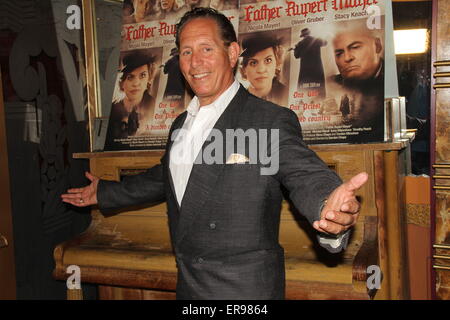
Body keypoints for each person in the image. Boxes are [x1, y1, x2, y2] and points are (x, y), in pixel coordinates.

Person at [62, 7, 368, 300]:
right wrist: (106, 192)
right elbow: (165, 175)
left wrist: (327, 204)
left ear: (233, 54)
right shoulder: (182, 122)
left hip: (242, 291)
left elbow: (302, 171)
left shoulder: (267, 120)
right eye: (186, 52)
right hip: (190, 286)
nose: (196, 62)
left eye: (207, 49)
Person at [330, 24, 384, 139]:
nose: (347, 58)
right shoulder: (329, 85)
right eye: (339, 53)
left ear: (377, 45)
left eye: (355, 47)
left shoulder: (394, 82)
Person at [104, 50, 157, 150]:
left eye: (143, 75)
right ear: (122, 83)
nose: (136, 83)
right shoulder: (112, 110)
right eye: (130, 77)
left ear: (149, 80)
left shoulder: (155, 106)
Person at [239, 32, 289, 106]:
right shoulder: (239, 100)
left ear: (277, 64)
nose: (261, 70)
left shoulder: (287, 93)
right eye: (253, 63)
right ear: (244, 69)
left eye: (268, 60)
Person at [290, 28, 327, 98]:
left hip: (305, 70)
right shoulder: (315, 40)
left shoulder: (300, 44)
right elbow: (325, 42)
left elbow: (296, 56)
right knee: (318, 86)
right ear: (309, 33)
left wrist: (295, 48)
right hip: (317, 69)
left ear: (303, 35)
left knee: (304, 87)